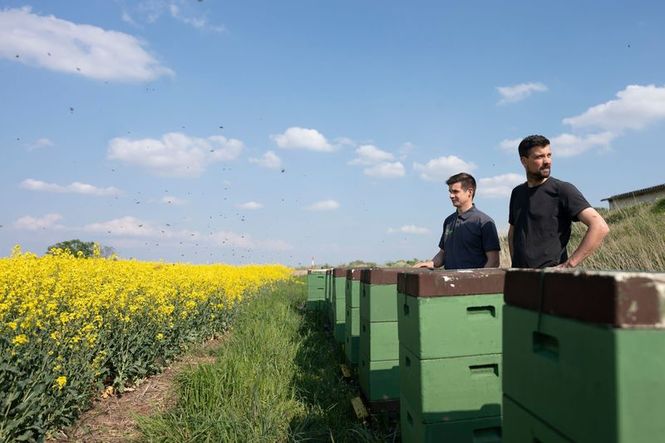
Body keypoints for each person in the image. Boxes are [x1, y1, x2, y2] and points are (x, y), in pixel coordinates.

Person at [508, 134, 609, 268]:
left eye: (549, 155)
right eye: (539, 156)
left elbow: (600, 226)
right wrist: (515, 266)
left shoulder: (562, 190)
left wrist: (568, 265)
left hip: (551, 280)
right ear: (524, 161)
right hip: (522, 280)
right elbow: (513, 232)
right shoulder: (517, 193)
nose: (547, 161)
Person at [414, 172, 501, 269]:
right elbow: (443, 253)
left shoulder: (484, 222)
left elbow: (494, 261)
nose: (451, 196)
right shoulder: (448, 221)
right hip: (449, 282)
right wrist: (430, 264)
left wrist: (479, 281)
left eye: (455, 191)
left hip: (473, 282)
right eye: (450, 191)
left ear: (470, 192)